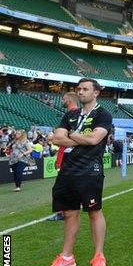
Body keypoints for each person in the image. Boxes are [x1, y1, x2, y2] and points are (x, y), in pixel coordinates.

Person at [40, 78, 112, 266]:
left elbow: (95, 139)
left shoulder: (103, 114)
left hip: (89, 171)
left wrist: (71, 137)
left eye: (85, 89)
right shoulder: (70, 114)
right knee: (69, 213)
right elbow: (57, 138)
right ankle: (66, 258)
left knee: (94, 212)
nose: (80, 92)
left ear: (95, 93)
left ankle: (99, 256)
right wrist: (79, 138)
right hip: (67, 171)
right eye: (78, 89)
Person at [48, 92, 80, 222]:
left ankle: (63, 213)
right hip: (69, 156)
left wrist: (55, 138)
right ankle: (68, 211)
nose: (62, 100)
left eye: (63, 98)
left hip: (68, 157)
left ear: (67, 99)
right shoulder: (75, 113)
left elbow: (68, 136)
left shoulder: (73, 114)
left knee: (62, 188)